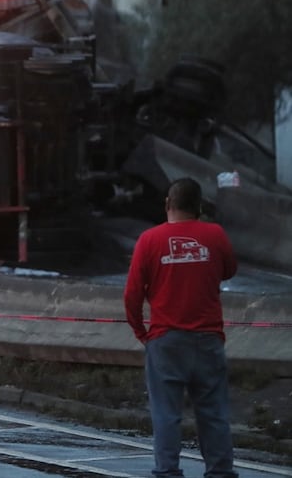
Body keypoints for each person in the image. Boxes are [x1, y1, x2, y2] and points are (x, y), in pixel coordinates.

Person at [124, 177, 238, 478]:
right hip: (209, 339)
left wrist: (142, 334)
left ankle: (168, 472)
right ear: (198, 207)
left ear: (167, 205)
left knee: (166, 415)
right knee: (213, 414)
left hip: (165, 341)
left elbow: (132, 295)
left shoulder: (148, 240)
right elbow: (229, 270)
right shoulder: (215, 235)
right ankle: (221, 472)